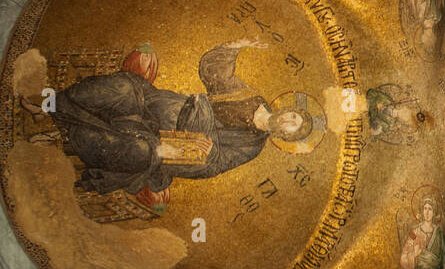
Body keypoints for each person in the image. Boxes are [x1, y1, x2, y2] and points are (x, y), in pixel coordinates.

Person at [41, 38, 309, 196]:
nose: (287, 121)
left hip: (166, 146)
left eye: (291, 128)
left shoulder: (251, 146)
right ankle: (53, 105)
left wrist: (194, 145)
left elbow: (213, 165)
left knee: (140, 149)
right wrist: (235, 45)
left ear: (283, 136)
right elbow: (214, 74)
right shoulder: (251, 97)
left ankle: (66, 134)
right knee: (124, 87)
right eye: (292, 116)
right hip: (158, 105)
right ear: (286, 109)